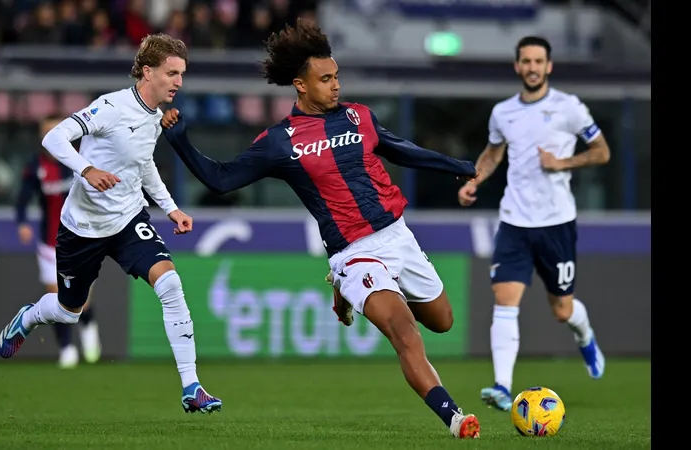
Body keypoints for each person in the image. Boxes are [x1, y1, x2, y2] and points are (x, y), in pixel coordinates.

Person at [161, 19, 481, 438]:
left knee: (442, 321)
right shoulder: (281, 141)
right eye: (325, 79)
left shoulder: (359, 116)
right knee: (404, 332)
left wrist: (455, 165)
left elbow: (402, 150)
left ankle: (342, 288)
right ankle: (455, 418)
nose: (335, 86)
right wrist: (181, 141)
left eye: (336, 77)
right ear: (300, 85)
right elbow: (221, 179)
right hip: (355, 252)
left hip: (398, 236)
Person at [0, 33, 222, 414]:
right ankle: (29, 316)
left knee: (170, 284)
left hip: (128, 220)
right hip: (82, 228)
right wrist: (87, 169)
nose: (179, 82)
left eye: (182, 74)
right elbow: (54, 138)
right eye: (172, 73)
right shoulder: (111, 107)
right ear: (147, 72)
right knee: (70, 310)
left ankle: (192, 387)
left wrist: (170, 208)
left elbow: (144, 165)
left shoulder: (155, 118)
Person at [457, 36, 610, 412]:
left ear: (549, 66)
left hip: (557, 223)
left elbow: (602, 152)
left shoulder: (569, 107)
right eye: (526, 61)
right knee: (504, 299)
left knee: (562, 310)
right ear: (517, 66)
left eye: (538, 61)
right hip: (514, 221)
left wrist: (562, 163)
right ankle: (502, 387)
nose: (532, 67)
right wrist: (475, 180)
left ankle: (585, 337)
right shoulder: (503, 112)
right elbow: (493, 154)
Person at [14, 115, 102, 369]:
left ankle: (88, 326)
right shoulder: (36, 166)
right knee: (58, 299)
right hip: (49, 242)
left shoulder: (80, 161)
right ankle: (66, 349)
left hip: (81, 239)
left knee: (81, 300)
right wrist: (22, 222)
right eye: (45, 132)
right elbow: (23, 198)